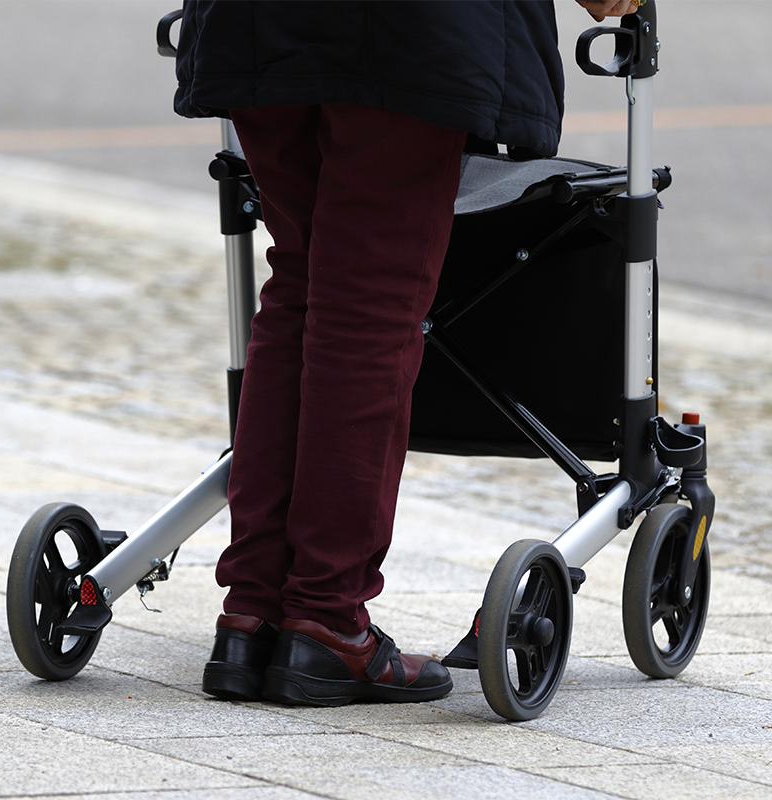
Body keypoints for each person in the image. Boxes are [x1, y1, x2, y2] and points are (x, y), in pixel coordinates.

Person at [174, 0, 640, 707]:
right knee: (369, 296)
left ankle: (254, 613)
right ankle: (326, 621)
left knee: (300, 280)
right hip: (404, 28)